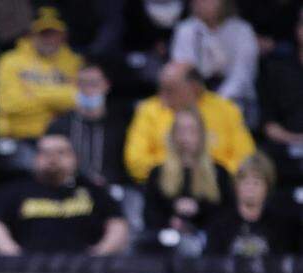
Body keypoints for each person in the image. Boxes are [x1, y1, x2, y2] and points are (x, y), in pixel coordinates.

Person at [0, 134, 129, 255]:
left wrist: (100, 253)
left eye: (61, 152)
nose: (52, 159)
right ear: (35, 159)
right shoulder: (15, 191)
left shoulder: (94, 191)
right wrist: (13, 255)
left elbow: (117, 224)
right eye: (45, 153)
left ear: (74, 159)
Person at [124, 62, 255, 183]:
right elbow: (135, 162)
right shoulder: (149, 110)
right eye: (161, 87)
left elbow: (245, 158)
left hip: (218, 186)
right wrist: (178, 171)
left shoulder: (226, 110)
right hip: (163, 186)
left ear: (194, 88)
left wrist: (212, 173)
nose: (162, 95)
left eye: (170, 89)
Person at [143, 109, 234, 243]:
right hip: (168, 243)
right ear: (172, 135)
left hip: (210, 243)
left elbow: (228, 214)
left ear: (202, 135)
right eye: (181, 131)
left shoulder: (219, 173)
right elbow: (150, 215)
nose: (186, 137)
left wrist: (198, 210)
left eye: (192, 131)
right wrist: (171, 219)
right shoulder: (157, 173)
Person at [0, 7, 83, 140]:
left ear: (64, 35)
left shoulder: (75, 62)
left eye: (53, 33)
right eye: (43, 33)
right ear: (31, 35)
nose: (48, 39)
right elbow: (9, 103)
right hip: (17, 136)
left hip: (61, 139)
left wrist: (33, 92)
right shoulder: (9, 60)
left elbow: (78, 99)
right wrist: (59, 97)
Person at [47, 64, 129, 187]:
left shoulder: (119, 126)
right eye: (82, 83)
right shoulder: (59, 125)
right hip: (69, 190)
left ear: (106, 85)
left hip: (111, 188)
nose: (87, 89)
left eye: (93, 83)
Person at [171, 0, 259, 113]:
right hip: (196, 94)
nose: (203, 3)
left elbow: (242, 74)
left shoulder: (242, 30)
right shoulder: (185, 29)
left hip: (235, 96)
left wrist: (218, 101)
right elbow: (183, 70)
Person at [207, 152, 301, 257]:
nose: (250, 188)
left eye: (256, 182)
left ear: (267, 187)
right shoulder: (219, 225)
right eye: (245, 182)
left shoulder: (282, 226)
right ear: (236, 186)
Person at [259, 8, 303, 149]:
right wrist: (297, 140)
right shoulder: (276, 70)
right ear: (299, 30)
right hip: (285, 147)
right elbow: (269, 124)